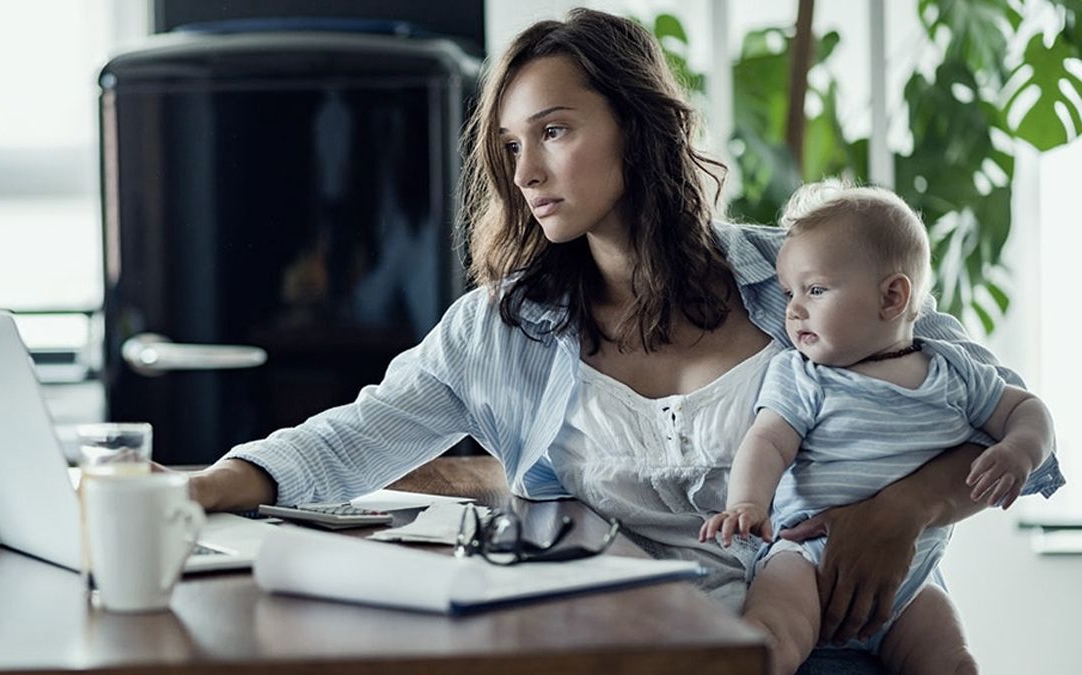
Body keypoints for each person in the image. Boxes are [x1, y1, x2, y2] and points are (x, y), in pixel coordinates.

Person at [183, 7, 1063, 666]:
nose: (527, 172)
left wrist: (905, 509)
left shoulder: (797, 276)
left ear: (639, 130)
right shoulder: (499, 331)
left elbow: (1003, 419)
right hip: (635, 652)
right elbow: (347, 441)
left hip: (858, 646)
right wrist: (199, 488)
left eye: (554, 131)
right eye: (511, 146)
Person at [699, 183, 1054, 674]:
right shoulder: (804, 375)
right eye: (788, 293)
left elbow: (1026, 409)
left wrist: (1020, 449)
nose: (793, 310)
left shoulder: (954, 371)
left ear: (892, 296)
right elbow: (768, 441)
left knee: (954, 663)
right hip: (806, 558)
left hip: (911, 579)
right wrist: (747, 503)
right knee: (771, 641)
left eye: (815, 290)